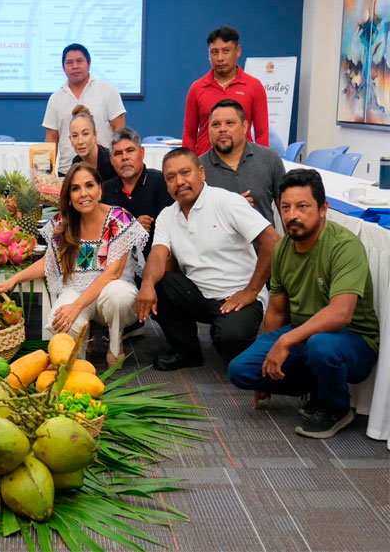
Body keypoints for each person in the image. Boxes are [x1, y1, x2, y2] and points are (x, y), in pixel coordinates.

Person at [229, 169, 380, 439]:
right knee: (240, 370)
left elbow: (342, 313)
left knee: (320, 345)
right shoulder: (283, 248)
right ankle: (318, 385)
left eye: (302, 207)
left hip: (352, 340)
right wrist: (269, 365)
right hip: (304, 336)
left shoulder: (344, 246)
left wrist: (285, 343)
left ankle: (335, 407)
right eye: (285, 207)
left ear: (323, 209)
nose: (292, 215)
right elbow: (276, 310)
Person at [135, 148, 281, 371]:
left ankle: (229, 332)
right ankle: (187, 351)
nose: (180, 182)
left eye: (186, 173)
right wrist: (146, 285)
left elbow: (273, 242)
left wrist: (251, 291)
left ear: (201, 172)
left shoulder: (227, 202)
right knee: (158, 283)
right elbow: (158, 254)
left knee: (230, 340)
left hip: (239, 297)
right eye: (171, 178)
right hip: (199, 294)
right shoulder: (167, 215)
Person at [0, 163, 149, 367]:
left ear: (100, 189)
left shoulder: (119, 219)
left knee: (117, 296)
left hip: (112, 293)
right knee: (59, 321)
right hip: (77, 290)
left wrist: (75, 308)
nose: (83, 194)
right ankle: (79, 359)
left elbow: (112, 274)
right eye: (75, 188)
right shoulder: (63, 222)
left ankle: (115, 340)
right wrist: (13, 280)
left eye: (89, 186)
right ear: (68, 195)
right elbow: (48, 263)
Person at [182, 26, 269, 155]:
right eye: (214, 52)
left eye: (226, 51)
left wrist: (262, 164)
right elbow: (189, 133)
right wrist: (187, 163)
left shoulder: (254, 86)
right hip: (205, 165)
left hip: (244, 164)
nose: (220, 58)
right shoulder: (197, 88)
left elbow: (262, 133)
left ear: (237, 51)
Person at [43, 44, 126, 174]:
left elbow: (120, 130)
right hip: (67, 171)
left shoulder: (107, 90)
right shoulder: (55, 98)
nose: (75, 66)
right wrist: (46, 174)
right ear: (63, 67)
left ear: (89, 63)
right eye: (69, 62)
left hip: (105, 170)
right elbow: (51, 140)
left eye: (80, 61)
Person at [200, 99, 285, 225]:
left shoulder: (269, 159)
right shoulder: (198, 168)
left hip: (263, 244)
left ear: (245, 127)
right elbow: (193, 220)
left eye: (230, 123)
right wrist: (230, 207)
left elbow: (287, 211)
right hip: (217, 244)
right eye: (216, 125)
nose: (222, 129)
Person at [102, 127, 173, 257]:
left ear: (142, 153)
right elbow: (101, 239)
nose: (124, 157)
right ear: (111, 160)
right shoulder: (105, 191)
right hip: (117, 268)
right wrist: (132, 229)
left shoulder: (162, 184)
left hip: (159, 265)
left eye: (130, 151)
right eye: (118, 153)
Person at [68, 105, 116, 182]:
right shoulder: (76, 162)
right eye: (75, 136)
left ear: (95, 135)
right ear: (70, 139)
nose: (80, 141)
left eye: (85, 134)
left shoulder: (112, 161)